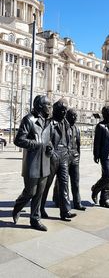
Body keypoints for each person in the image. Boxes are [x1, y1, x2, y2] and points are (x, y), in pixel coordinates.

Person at [12, 95, 51, 231]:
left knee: (39, 193)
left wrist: (49, 146)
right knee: (30, 192)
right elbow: (18, 140)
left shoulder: (48, 122)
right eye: (48, 105)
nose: (50, 108)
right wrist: (35, 144)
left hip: (45, 163)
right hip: (32, 164)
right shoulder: (29, 120)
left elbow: (48, 139)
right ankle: (18, 205)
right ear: (41, 106)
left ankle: (35, 219)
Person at [41, 99, 77, 221]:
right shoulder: (49, 123)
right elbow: (45, 140)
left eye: (65, 110)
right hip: (53, 157)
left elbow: (68, 139)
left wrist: (67, 152)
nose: (64, 112)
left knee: (64, 184)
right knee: (46, 184)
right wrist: (51, 152)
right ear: (55, 110)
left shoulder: (66, 123)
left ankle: (65, 211)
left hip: (64, 157)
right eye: (61, 110)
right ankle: (40, 208)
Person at [53, 108, 86, 211]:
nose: (74, 118)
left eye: (75, 116)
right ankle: (58, 199)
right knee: (62, 181)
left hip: (75, 157)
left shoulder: (76, 129)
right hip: (65, 157)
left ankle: (77, 202)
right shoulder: (62, 127)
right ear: (67, 116)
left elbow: (78, 144)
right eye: (72, 115)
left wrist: (78, 156)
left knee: (75, 182)